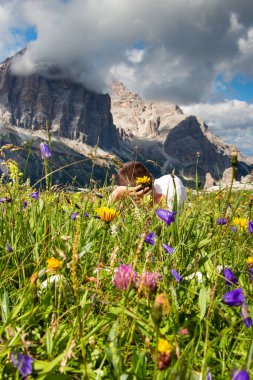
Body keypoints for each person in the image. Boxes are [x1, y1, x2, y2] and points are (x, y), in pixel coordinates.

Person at [110, 161, 187, 210]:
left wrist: (115, 196)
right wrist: (117, 192)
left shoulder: (173, 192)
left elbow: (167, 224)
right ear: (152, 177)